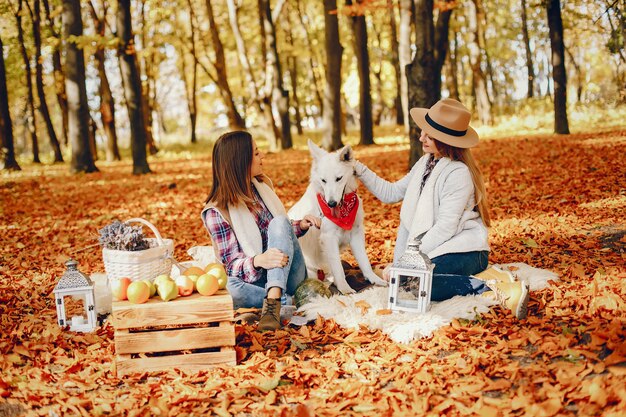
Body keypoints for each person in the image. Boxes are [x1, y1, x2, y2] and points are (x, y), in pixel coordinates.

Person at [355, 98, 529, 319]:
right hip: (434, 248)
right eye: (423, 132)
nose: (421, 138)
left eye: (428, 134)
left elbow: (445, 228)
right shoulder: (426, 162)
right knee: (406, 284)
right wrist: (358, 169)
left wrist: (407, 261)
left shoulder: (459, 174)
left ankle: (494, 288)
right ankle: (487, 281)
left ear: (445, 139)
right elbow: (391, 193)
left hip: (467, 251)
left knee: (420, 285)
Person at [201, 131, 321, 331]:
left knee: (280, 222)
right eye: (256, 153)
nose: (262, 156)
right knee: (230, 287)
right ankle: (289, 301)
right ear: (241, 162)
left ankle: (273, 303)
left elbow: (279, 231)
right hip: (256, 279)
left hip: (289, 271)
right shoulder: (217, 211)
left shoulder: (261, 186)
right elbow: (231, 265)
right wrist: (259, 261)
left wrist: (299, 226)